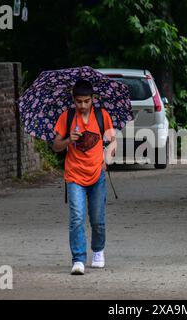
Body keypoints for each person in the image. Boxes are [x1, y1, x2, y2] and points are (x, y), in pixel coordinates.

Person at [52, 79, 116, 275]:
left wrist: (108, 155)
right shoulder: (67, 117)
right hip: (74, 176)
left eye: (86, 101)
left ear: (93, 99)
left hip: (97, 174)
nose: (82, 105)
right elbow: (55, 146)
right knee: (77, 218)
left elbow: (113, 141)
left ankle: (97, 251)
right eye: (78, 101)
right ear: (73, 100)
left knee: (97, 219)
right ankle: (78, 259)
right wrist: (68, 140)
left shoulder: (102, 115)